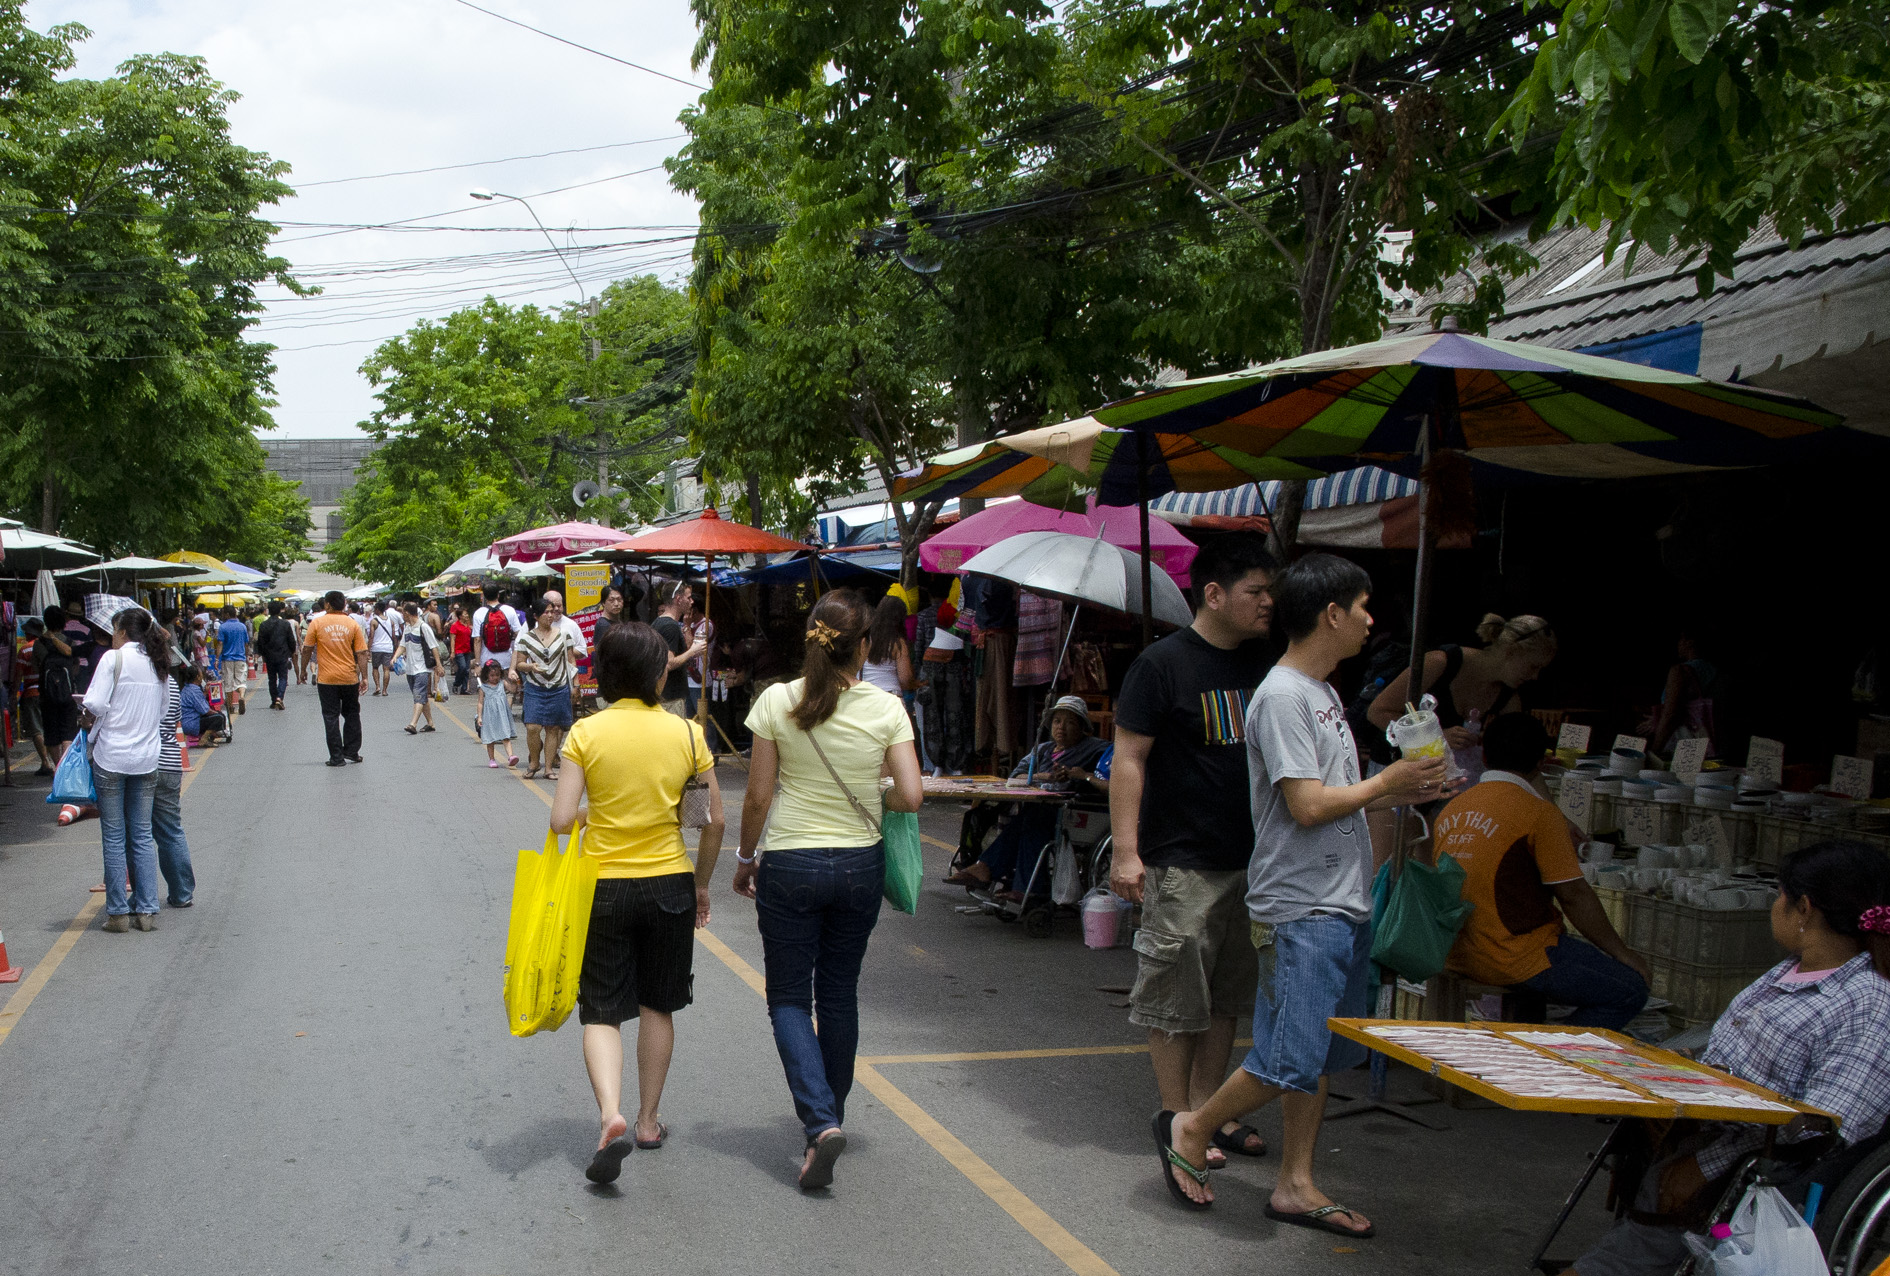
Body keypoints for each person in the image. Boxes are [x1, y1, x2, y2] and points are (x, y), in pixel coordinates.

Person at [1160, 553, 1444, 1233]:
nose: (1371, 621)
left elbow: (1339, 796)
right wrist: (1388, 783)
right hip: (1301, 905)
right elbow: (1308, 805)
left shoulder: (1321, 693)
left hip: (1340, 900)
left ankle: (1296, 1183)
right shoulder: (1285, 695)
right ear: (1332, 614)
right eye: (1363, 607)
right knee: (1290, 1056)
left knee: (1315, 1058)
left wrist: (1406, 787)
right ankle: (1192, 1127)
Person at [1570, 840, 1890, 1276]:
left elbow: (1826, 1128)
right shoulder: (1791, 970)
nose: (1774, 906)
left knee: (1610, 1265)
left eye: (1779, 894)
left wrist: (1706, 1166)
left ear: (1803, 908)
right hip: (1704, 1137)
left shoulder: (1870, 1002)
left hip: (1753, 1174)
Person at [733, 591, 924, 1191]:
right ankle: (828, 1119)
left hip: (790, 862)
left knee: (789, 999)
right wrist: (877, 791)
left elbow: (758, 796)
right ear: (864, 646)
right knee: (839, 994)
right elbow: (911, 795)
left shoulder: (777, 700)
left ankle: (820, 1124)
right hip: (860, 865)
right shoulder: (888, 707)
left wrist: (744, 859)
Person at [1108, 533, 1282, 1169]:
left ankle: (1211, 1112)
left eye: (1270, 592)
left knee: (1226, 996)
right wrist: (1126, 851)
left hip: (1254, 859)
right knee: (1176, 995)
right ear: (1214, 594)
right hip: (1182, 860)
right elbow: (1129, 759)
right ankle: (1175, 1115)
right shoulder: (1161, 664)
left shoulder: (1268, 662)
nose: (1268, 603)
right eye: (1255, 592)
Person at [550, 622, 727, 1184]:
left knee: (601, 1008)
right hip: (668, 883)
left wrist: (598, 813)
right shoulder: (687, 735)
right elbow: (711, 821)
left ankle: (611, 1114)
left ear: (604, 674)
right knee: (658, 1004)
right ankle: (648, 1121)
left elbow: (561, 820)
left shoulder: (586, 732)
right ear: (658, 675)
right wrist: (701, 884)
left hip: (603, 885)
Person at [1435, 713, 1650, 1027]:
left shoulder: (1451, 810)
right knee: (1630, 990)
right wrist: (1623, 953)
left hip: (1457, 952)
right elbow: (1574, 895)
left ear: (1484, 756)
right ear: (1541, 763)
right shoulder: (1539, 813)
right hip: (1514, 955)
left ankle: (1532, 1039)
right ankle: (1546, 1050)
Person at [943, 695, 1109, 893]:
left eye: (1070, 722)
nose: (1061, 727)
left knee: (1034, 818)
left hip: (1070, 814)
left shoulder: (1096, 749)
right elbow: (1016, 776)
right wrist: (1044, 777)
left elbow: (1108, 780)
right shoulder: (1043, 749)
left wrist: (1082, 775)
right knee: (1016, 816)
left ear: (1082, 727)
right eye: (1057, 721)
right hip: (1038, 807)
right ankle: (1007, 879)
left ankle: (997, 874)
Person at [1366, 613, 1558, 775]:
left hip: (1449, 783)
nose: (1535, 676)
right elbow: (1378, 712)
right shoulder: (1440, 663)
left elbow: (1512, 754)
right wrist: (1434, 737)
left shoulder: (1509, 699)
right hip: (1396, 773)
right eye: (1533, 666)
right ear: (1511, 651)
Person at [84, 607, 171, 933]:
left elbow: (95, 704)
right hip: (146, 758)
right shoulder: (157, 662)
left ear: (122, 631)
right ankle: (146, 910)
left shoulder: (113, 659)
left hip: (111, 757)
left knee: (114, 835)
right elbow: (163, 711)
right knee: (142, 834)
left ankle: (118, 913)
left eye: (114, 630)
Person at [510, 599, 576, 779]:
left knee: (553, 728)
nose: (550, 615)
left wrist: (575, 685)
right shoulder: (526, 638)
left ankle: (548, 768)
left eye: (552, 612)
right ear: (536, 616)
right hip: (535, 688)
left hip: (558, 687)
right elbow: (520, 663)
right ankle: (534, 762)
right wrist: (531, 667)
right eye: (546, 612)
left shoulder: (564, 635)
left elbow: (571, 660)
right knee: (533, 726)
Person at [304, 590, 370, 767]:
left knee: (330, 716)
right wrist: (364, 677)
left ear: (327, 604)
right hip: (349, 678)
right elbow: (361, 653)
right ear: (344, 605)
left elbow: (307, 649)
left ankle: (336, 757)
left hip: (326, 679)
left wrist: (303, 670)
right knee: (352, 714)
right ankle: (352, 751)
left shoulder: (317, 623)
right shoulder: (352, 624)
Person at [154, 663, 196, 908]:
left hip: (143, 762)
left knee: (137, 834)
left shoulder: (131, 675)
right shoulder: (169, 680)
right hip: (170, 760)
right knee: (170, 829)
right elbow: (176, 719)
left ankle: (143, 898)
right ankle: (182, 893)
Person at [1646, 627, 1721, 756]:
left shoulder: (1680, 672)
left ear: (1690, 642)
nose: (1678, 644)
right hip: (1711, 745)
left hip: (1684, 749)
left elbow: (1671, 714)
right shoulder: (1717, 673)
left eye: (1680, 639)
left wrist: (1655, 751)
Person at [651, 582, 706, 719]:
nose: (692, 601)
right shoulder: (670, 626)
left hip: (663, 695)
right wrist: (693, 651)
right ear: (678, 599)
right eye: (688, 597)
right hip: (670, 698)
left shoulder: (659, 622)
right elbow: (668, 664)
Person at [35, 606, 81, 764]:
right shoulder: (69, 642)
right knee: (68, 732)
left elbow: (36, 667)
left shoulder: (39, 643)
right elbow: (76, 666)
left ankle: (57, 766)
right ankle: (65, 766)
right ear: (63, 622)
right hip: (68, 693)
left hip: (47, 695)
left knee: (51, 732)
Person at [12, 617, 52, 775]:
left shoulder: (25, 650)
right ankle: (54, 762)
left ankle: (45, 762)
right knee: (48, 728)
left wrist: (14, 694)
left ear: (29, 633)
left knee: (36, 730)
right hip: (49, 692)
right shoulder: (48, 646)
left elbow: (18, 676)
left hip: (31, 693)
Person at [860, 595, 916, 698]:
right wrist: (916, 684)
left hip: (867, 695)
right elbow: (905, 679)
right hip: (890, 695)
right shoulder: (897, 643)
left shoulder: (865, 639)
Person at [396, 602, 440, 735]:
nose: (402, 616)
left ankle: (413, 724)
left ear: (407, 613)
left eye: (403, 613)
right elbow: (402, 645)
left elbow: (434, 647)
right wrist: (395, 657)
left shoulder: (423, 627)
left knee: (418, 696)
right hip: (410, 669)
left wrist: (438, 665)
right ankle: (430, 723)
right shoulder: (408, 628)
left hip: (422, 669)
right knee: (422, 697)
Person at [475, 659, 520, 768]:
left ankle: (511, 756)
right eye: (492, 675)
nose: (495, 678)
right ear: (486, 675)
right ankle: (492, 759)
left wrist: (515, 681)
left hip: (502, 715)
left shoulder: (502, 683)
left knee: (506, 735)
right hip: (489, 716)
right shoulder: (483, 688)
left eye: (497, 675)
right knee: (490, 739)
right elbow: (480, 703)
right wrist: (479, 717)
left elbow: (513, 690)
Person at [256, 601, 298, 711]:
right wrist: (292, 651)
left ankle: (273, 700)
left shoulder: (264, 625)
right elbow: (291, 640)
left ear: (269, 610)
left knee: (272, 678)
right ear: (280, 610)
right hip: (282, 654)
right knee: (283, 677)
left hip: (269, 655)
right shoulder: (285, 624)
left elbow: (260, 642)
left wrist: (262, 654)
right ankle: (280, 697)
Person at [473, 585, 522, 668]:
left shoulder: (479, 613)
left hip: (487, 662)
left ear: (484, 596)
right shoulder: (509, 610)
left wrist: (477, 664)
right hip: (507, 660)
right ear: (498, 595)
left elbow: (477, 640)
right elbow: (519, 635)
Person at [214, 606, 251, 718]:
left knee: (228, 683)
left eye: (223, 613)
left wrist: (217, 658)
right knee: (241, 680)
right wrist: (246, 656)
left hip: (227, 659)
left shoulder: (223, 627)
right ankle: (241, 696)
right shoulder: (242, 626)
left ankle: (230, 706)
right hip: (240, 658)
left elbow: (220, 643)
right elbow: (246, 643)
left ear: (227, 614)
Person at [177, 665, 227, 745]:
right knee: (219, 717)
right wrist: (217, 713)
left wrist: (205, 693)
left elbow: (198, 703)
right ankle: (205, 739)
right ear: (197, 677)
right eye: (201, 675)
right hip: (192, 723)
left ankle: (212, 735)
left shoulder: (187, 688)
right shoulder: (194, 690)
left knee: (218, 715)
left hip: (187, 722)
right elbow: (205, 711)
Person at [683, 592, 714, 719]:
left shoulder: (706, 625)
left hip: (700, 680)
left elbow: (692, 648)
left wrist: (686, 626)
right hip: (687, 678)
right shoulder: (690, 625)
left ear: (694, 610)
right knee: (689, 717)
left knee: (703, 718)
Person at [366, 601, 400, 696]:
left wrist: (368, 649)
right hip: (388, 647)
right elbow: (394, 636)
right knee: (386, 669)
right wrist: (396, 648)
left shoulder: (374, 621)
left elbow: (371, 636)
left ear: (377, 609)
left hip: (376, 647)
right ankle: (385, 690)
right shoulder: (391, 621)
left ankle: (377, 686)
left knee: (375, 667)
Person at [448, 606, 474, 696]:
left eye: (467, 614)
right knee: (462, 667)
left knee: (467, 670)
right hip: (458, 650)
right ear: (460, 616)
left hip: (467, 650)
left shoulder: (468, 625)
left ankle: (464, 688)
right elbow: (452, 639)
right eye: (465, 614)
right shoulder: (455, 626)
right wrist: (452, 652)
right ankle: (456, 684)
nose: (467, 615)